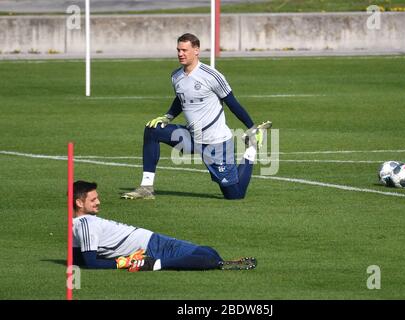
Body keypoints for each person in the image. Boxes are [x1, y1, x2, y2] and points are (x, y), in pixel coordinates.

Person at [121, 33, 271, 200]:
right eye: (178, 50)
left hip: (216, 142)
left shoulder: (212, 76)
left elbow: (232, 103)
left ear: (196, 50)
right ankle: (146, 188)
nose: (180, 54)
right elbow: (181, 98)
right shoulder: (176, 76)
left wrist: (251, 127)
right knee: (152, 130)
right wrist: (168, 117)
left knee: (234, 195)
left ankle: (251, 148)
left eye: (184, 50)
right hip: (192, 138)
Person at [72, 180, 257, 271]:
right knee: (207, 258)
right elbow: (90, 262)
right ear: (79, 203)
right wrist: (126, 263)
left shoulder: (78, 224)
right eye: (93, 199)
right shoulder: (86, 224)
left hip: (152, 241)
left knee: (210, 252)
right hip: (151, 248)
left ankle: (221, 263)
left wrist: (122, 259)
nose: (98, 202)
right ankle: (156, 265)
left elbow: (76, 259)